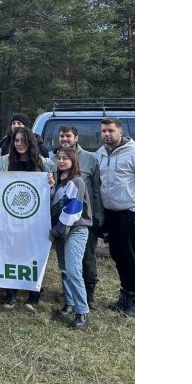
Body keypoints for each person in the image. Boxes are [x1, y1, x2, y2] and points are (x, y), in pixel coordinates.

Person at [0, 126, 55, 310]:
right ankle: (11, 293)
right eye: (16, 141)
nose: (19, 144)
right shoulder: (3, 163)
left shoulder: (44, 164)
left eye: (23, 140)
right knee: (10, 253)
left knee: (33, 253)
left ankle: (33, 295)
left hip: (35, 220)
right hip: (10, 218)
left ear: (30, 142)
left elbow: (52, 192)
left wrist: (51, 185)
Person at [57, 125, 104, 308]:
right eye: (62, 136)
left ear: (76, 138)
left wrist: (98, 215)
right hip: (63, 226)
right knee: (66, 266)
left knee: (85, 259)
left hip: (81, 221)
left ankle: (86, 300)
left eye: (68, 136)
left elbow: (97, 190)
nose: (65, 139)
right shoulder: (57, 166)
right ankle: (69, 301)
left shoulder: (90, 160)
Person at [49, 146, 94, 330]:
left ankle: (82, 312)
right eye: (59, 158)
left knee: (74, 270)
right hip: (61, 231)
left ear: (73, 160)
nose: (61, 161)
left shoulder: (77, 181)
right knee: (64, 269)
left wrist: (57, 231)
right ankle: (69, 304)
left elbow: (72, 210)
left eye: (65, 158)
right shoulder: (61, 181)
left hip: (74, 230)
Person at [97, 117, 135, 317]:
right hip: (110, 212)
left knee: (131, 256)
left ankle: (135, 299)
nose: (106, 134)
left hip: (129, 212)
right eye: (103, 131)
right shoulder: (101, 153)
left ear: (120, 131)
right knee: (118, 255)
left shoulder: (134, 152)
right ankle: (126, 295)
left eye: (110, 130)